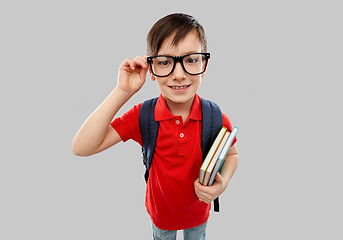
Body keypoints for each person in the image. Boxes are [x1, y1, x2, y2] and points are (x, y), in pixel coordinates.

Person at [72, 13, 239, 240]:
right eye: (165, 62)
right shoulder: (143, 116)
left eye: (191, 60)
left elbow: (232, 154)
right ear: (151, 68)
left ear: (205, 64)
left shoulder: (215, 116)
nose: (179, 75)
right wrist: (123, 91)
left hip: (199, 213)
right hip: (161, 217)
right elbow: (82, 147)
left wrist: (223, 184)